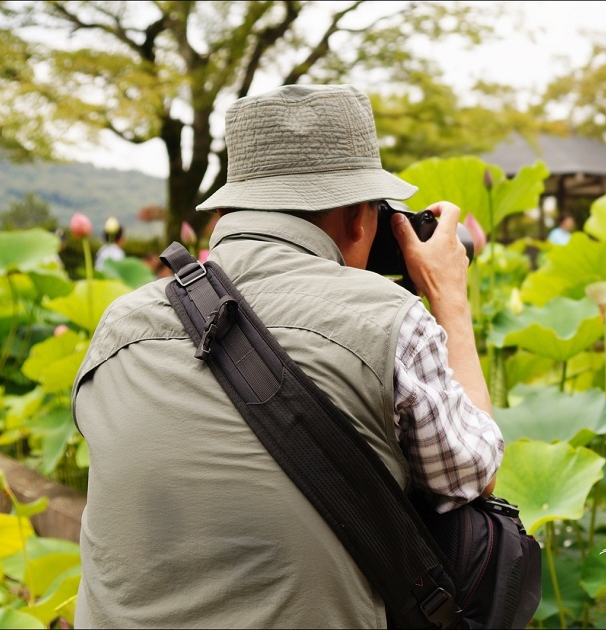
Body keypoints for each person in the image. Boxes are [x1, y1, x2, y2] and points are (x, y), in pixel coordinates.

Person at [71, 84, 504, 628]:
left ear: (226, 210)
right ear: (359, 218)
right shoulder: (387, 316)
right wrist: (450, 300)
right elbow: (473, 477)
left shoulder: (119, 326)